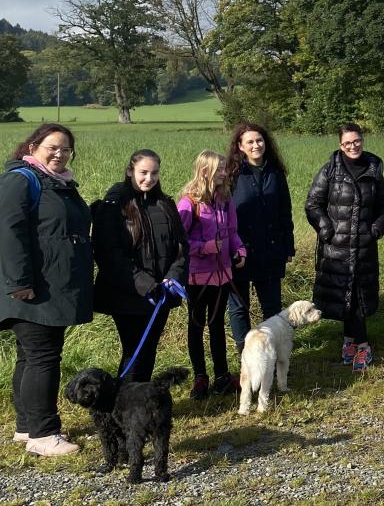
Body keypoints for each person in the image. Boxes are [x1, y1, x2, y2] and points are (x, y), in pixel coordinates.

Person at [0, 123, 92, 456]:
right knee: (43, 357)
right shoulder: (21, 180)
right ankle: (44, 434)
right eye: (52, 147)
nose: (59, 153)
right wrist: (19, 282)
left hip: (51, 286)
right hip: (32, 288)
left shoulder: (58, 183)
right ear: (33, 146)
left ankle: (26, 428)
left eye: (66, 149)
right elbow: (9, 233)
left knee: (31, 356)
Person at [92, 149, 189, 383]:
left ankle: (140, 404)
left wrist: (172, 277)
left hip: (161, 295)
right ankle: (126, 407)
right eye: (143, 172)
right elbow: (109, 255)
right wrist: (146, 285)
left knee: (148, 351)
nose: (149, 178)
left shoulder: (165, 204)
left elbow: (181, 246)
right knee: (135, 352)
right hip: (128, 294)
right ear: (130, 171)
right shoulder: (114, 205)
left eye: (154, 173)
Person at [305, 123, 384, 372]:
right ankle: (353, 343)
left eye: (356, 141)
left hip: (364, 246)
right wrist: (325, 228)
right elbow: (313, 204)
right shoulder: (330, 170)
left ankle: (359, 346)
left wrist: (376, 228)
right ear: (340, 145)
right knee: (347, 296)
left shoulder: (374, 168)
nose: (353, 146)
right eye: (347, 143)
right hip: (337, 249)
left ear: (362, 140)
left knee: (357, 297)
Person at [179, 150, 246, 400]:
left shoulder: (226, 199)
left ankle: (222, 376)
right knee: (196, 325)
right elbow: (179, 241)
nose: (224, 172)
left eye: (224, 168)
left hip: (222, 273)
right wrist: (203, 248)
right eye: (219, 169)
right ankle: (200, 377)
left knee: (217, 324)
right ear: (205, 170)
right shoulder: (189, 202)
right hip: (197, 276)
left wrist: (239, 249)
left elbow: (233, 231)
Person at [225, 122, 295, 354]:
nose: (256, 145)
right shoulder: (231, 175)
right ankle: (244, 351)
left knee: (272, 307)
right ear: (240, 146)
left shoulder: (275, 173)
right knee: (238, 308)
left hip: (271, 250)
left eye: (259, 140)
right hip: (239, 252)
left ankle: (270, 349)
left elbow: (285, 211)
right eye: (250, 142)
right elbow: (222, 213)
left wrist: (288, 245)